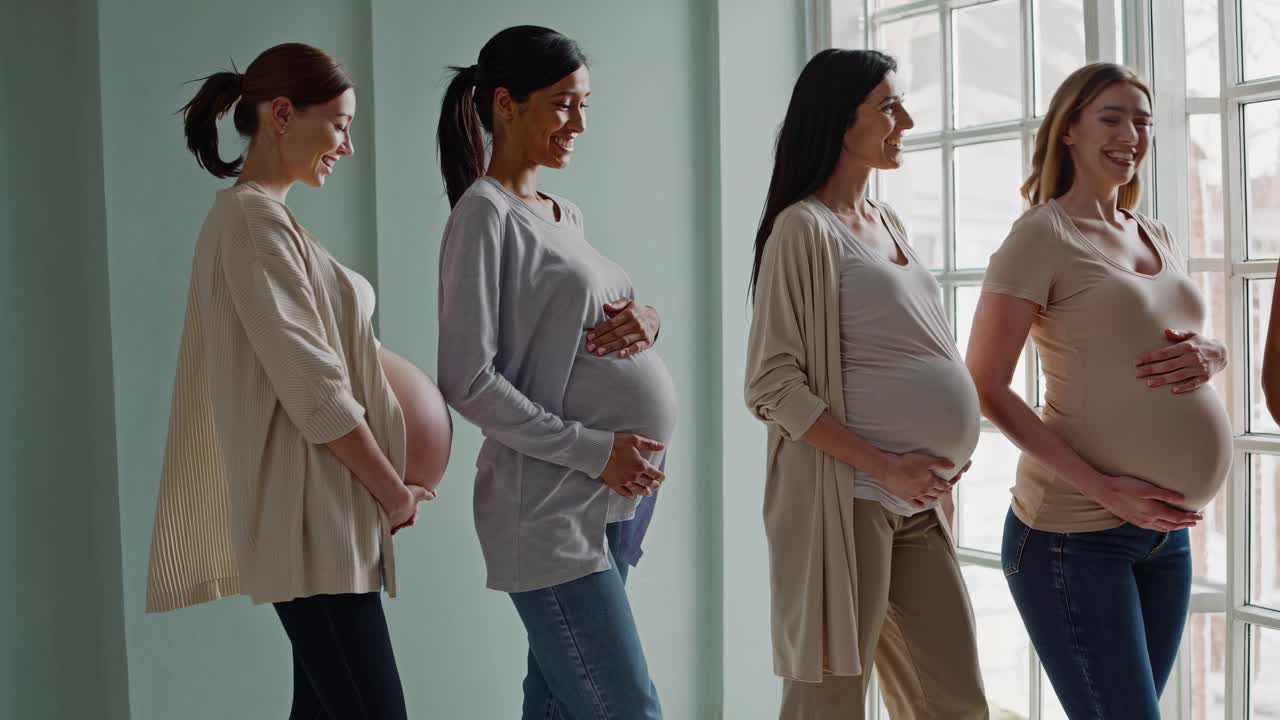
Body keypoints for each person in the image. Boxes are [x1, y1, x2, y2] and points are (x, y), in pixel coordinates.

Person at [145, 43, 432, 720]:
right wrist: (394, 494)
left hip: (327, 522)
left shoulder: (269, 221)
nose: (347, 147)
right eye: (339, 125)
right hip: (313, 526)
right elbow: (315, 392)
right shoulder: (252, 224)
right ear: (282, 114)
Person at [966, 62, 1232, 719]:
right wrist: (1105, 489)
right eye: (1111, 118)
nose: (1131, 136)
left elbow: (1161, 337)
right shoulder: (1041, 236)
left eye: (1142, 122)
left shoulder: (1154, 232)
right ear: (1069, 131)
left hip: (1164, 537)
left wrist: (1215, 353)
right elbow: (985, 385)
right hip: (1075, 534)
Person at [435, 25, 675, 720]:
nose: (579, 123)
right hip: (551, 508)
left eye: (584, 105)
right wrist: (598, 452)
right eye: (564, 104)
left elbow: (584, 319)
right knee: (625, 707)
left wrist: (649, 317)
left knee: (558, 706)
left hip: (612, 499)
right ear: (506, 104)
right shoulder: (484, 216)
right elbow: (467, 380)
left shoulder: (563, 215)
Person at [744, 48, 988, 720]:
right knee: (830, 701)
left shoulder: (887, 222)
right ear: (839, 120)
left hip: (918, 502)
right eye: (888, 107)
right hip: (848, 498)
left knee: (955, 700)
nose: (904, 122)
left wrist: (938, 460)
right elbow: (771, 384)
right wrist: (886, 466)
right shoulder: (802, 229)